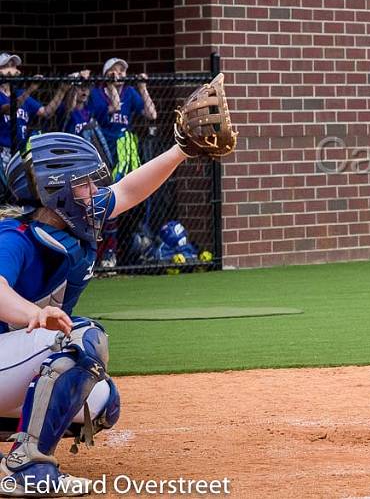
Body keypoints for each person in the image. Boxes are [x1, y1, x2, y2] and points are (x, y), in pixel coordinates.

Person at [0, 75, 234, 496]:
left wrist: (181, 150)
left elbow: (129, 188)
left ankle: (22, 439)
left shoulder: (71, 222)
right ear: (56, 194)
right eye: (84, 184)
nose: (95, 191)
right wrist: (33, 315)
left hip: (7, 363)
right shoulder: (15, 236)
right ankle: (25, 469)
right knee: (80, 339)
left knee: (102, 402)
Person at [86, 58, 157, 268]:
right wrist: (110, 85)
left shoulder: (130, 92)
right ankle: (106, 252)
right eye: (114, 71)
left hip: (125, 153)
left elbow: (151, 113)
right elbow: (114, 108)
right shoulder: (97, 93)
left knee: (129, 198)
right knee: (107, 198)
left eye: (122, 70)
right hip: (103, 151)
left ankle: (124, 248)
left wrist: (142, 88)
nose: (119, 74)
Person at [0, 53, 68, 164]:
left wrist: (62, 91)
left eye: (14, 65)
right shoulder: (17, 95)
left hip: (22, 150)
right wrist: (31, 89)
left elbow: (46, 112)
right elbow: (9, 109)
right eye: (8, 66)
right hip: (4, 151)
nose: (13, 69)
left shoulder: (20, 93)